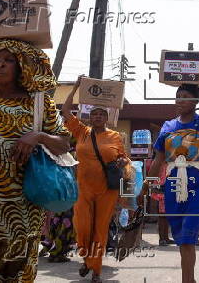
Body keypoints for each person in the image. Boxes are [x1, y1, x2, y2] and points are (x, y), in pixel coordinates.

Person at [137, 73, 199, 283]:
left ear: (195, 101)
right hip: (174, 187)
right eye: (178, 96)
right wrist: (145, 187)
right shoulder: (168, 126)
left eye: (185, 96)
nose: (180, 100)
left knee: (189, 236)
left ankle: (187, 280)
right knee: (181, 239)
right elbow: (158, 159)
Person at [0, 39, 71, 282]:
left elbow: (65, 144)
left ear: (21, 65)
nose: (1, 64)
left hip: (24, 206)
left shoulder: (38, 103)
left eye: (9, 60)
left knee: (16, 272)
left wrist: (39, 136)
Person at [62, 77, 130, 283]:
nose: (98, 116)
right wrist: (75, 88)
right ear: (89, 117)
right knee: (82, 227)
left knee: (100, 230)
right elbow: (65, 111)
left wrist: (122, 167)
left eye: (102, 114)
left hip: (106, 191)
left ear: (107, 117)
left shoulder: (115, 137)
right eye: (94, 114)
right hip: (83, 189)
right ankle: (87, 260)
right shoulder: (82, 132)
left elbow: (124, 159)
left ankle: (96, 271)